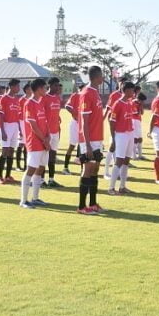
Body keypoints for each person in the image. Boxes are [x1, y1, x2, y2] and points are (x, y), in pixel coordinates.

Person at [76, 66, 106, 214]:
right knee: (87, 169)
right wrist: (87, 145)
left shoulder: (95, 92)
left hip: (97, 138)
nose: (103, 78)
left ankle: (93, 203)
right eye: (102, 75)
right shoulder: (87, 93)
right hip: (89, 139)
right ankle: (82, 207)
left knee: (95, 169)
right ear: (96, 76)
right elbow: (84, 121)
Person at [18, 78, 51, 208]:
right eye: (44, 87)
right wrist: (44, 139)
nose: (46, 90)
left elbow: (44, 122)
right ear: (38, 89)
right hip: (35, 142)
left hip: (44, 141)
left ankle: (35, 197)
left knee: (41, 168)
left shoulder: (40, 102)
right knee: (31, 169)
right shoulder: (29, 103)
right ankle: (23, 200)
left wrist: (48, 137)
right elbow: (33, 125)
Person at [107, 81, 137, 195]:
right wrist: (113, 139)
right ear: (126, 90)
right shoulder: (117, 104)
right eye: (132, 90)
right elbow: (112, 121)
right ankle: (111, 188)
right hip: (121, 134)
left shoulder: (129, 103)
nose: (133, 92)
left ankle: (122, 186)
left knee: (126, 160)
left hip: (130, 133)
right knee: (119, 160)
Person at [0, 79, 23, 184]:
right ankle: (0, 176)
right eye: (17, 86)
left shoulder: (16, 100)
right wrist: (2, 131)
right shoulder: (4, 99)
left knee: (11, 151)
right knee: (5, 151)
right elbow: (0, 115)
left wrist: (20, 130)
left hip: (15, 127)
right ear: (12, 87)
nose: (19, 88)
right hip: (6, 126)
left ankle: (8, 175)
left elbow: (17, 116)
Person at [42, 77, 64, 187]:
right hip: (47, 132)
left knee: (52, 156)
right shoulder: (44, 98)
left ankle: (51, 179)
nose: (57, 87)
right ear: (49, 85)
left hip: (56, 131)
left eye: (58, 85)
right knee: (44, 156)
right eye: (55, 85)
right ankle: (41, 180)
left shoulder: (57, 98)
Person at [62, 83, 83, 175]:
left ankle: (83, 169)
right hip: (75, 123)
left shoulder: (86, 97)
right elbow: (67, 106)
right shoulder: (75, 96)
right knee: (72, 146)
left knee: (83, 146)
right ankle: (65, 168)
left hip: (83, 124)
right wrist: (75, 114)